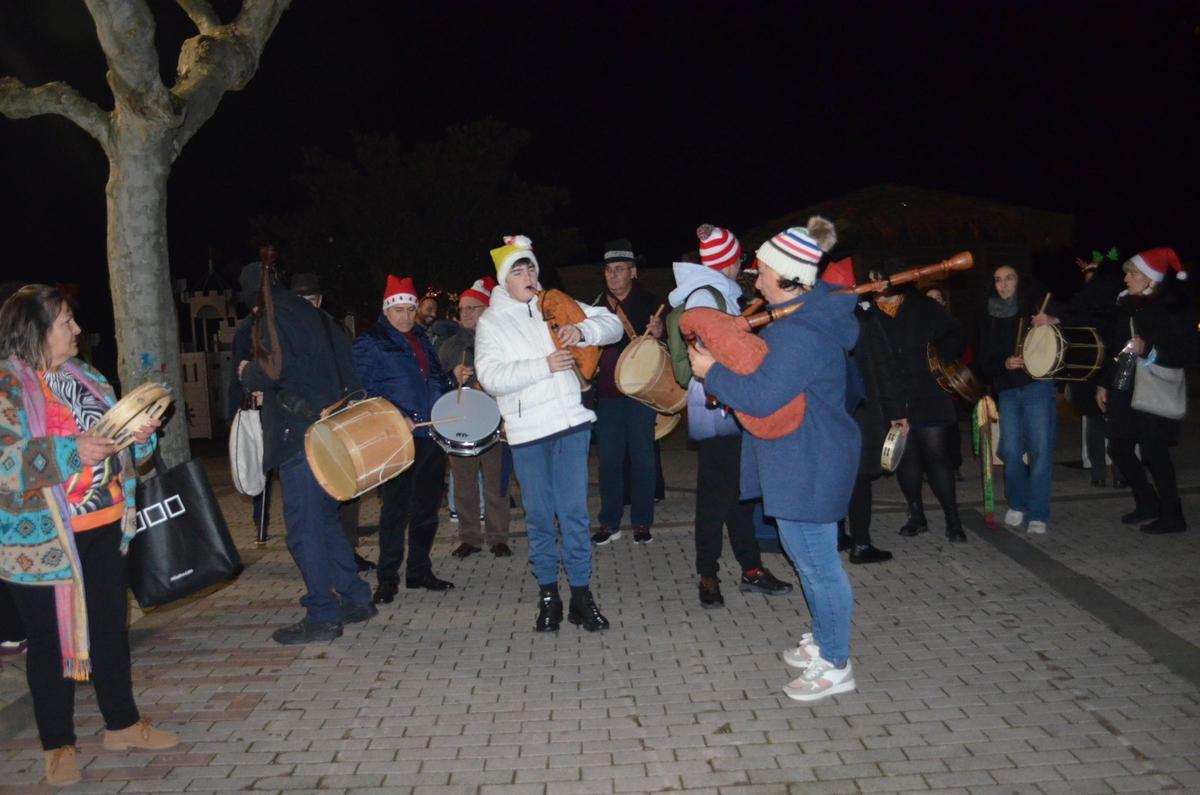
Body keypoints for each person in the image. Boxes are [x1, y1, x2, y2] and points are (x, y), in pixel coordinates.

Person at [0, 285, 178, 786]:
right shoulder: (6, 389)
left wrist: (140, 440)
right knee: (49, 640)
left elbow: (121, 451)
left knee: (108, 629)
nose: (77, 329)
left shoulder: (90, 377)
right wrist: (70, 452)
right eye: (65, 322)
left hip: (105, 526)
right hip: (42, 542)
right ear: (35, 330)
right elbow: (5, 462)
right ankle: (57, 744)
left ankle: (122, 723)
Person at [688, 219, 860, 702]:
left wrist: (712, 371)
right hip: (800, 457)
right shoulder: (796, 321)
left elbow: (761, 397)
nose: (755, 278)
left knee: (819, 565)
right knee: (806, 559)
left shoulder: (800, 333)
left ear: (785, 278)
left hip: (809, 462)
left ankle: (836, 662)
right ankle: (826, 639)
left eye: (761, 271)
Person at [475, 235, 622, 632]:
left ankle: (581, 595)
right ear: (504, 280)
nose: (528, 276)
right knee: (540, 517)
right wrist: (544, 365)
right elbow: (490, 377)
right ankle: (548, 597)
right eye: (518, 271)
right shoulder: (491, 322)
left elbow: (612, 323)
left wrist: (584, 333)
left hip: (571, 424)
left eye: (531, 268)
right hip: (527, 432)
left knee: (574, 514)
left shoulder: (553, 303)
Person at [237, 263, 377, 644]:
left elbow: (267, 374)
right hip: (335, 432)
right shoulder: (323, 320)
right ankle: (355, 597)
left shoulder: (271, 319)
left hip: (299, 436)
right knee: (326, 521)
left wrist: (246, 371)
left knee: (303, 530)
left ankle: (322, 613)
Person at [669, 224, 793, 607]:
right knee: (714, 496)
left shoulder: (716, 294)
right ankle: (708, 575)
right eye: (739, 258)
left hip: (726, 401)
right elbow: (704, 357)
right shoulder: (707, 297)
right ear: (730, 261)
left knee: (737, 493)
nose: (741, 265)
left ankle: (750, 568)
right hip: (717, 405)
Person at [354, 276, 464, 603]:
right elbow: (362, 392)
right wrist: (393, 415)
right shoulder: (370, 342)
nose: (404, 316)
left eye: (409, 309)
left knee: (427, 508)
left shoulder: (421, 337)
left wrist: (450, 378)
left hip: (429, 436)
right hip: (395, 438)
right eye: (398, 309)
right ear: (386, 310)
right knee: (395, 511)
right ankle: (387, 579)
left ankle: (418, 571)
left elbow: (431, 382)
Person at [1097, 248, 1195, 535]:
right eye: (1126, 272)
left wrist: (1149, 349)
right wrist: (1104, 384)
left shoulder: (1171, 308)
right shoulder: (1126, 306)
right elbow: (1116, 350)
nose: (1125, 278)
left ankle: (1173, 515)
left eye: (1132, 273)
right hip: (1126, 388)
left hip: (1154, 388)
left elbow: (1187, 351)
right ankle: (1147, 503)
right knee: (1118, 446)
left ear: (1150, 278)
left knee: (1155, 452)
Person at [871, 259, 967, 543]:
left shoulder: (923, 306)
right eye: (871, 278)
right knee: (906, 458)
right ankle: (916, 515)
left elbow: (955, 333)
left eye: (881, 277)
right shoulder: (868, 315)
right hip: (893, 398)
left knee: (937, 457)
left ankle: (953, 518)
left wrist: (940, 360)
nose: (876, 283)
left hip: (928, 393)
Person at [977, 265, 1060, 534]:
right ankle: (1018, 503)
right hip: (1007, 390)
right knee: (1010, 451)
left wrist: (1052, 319)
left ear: (1019, 280)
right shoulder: (989, 314)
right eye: (998, 279)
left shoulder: (1034, 306)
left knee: (1039, 451)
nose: (1003, 284)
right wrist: (1003, 362)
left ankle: (1038, 512)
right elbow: (983, 361)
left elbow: (1077, 316)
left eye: (1009, 278)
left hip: (1037, 386)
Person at [591, 239, 664, 547]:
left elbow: (665, 348)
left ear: (633, 272)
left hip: (640, 396)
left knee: (643, 458)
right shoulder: (595, 306)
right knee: (608, 460)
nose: (614, 276)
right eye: (609, 270)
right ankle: (609, 522)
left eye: (620, 270)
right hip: (607, 396)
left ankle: (642, 522)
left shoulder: (650, 303)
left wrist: (661, 333)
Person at [435, 277, 513, 559]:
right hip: (460, 425)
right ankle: (470, 537)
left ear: (487, 310)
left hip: (494, 424)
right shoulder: (448, 346)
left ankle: (498, 537)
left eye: (473, 308)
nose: (466, 314)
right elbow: (434, 385)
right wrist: (450, 377)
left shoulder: (500, 342)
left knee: (496, 484)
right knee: (464, 485)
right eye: (463, 309)